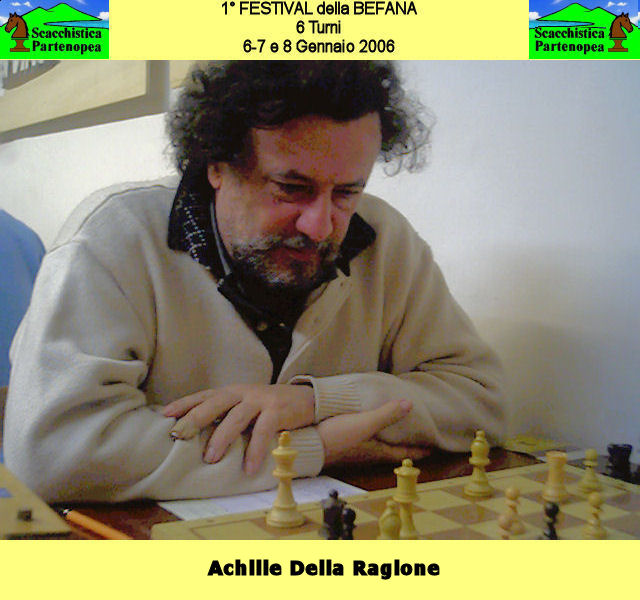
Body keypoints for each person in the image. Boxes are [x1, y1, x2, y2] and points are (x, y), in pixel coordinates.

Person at [4, 61, 505, 502]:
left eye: (347, 192)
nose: (320, 225)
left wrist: (315, 401)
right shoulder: (113, 238)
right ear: (217, 166)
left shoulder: (387, 240)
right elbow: (54, 451)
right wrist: (315, 446)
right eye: (291, 188)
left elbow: (483, 403)